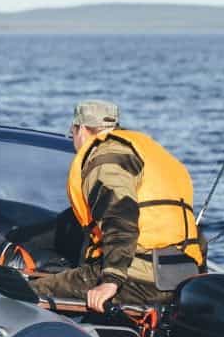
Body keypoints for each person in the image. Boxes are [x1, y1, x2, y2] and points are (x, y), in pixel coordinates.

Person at [30, 100, 205, 312]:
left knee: (27, 293)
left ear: (81, 129)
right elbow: (195, 235)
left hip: (137, 279)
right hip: (182, 280)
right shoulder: (152, 154)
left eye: (72, 132)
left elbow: (119, 219)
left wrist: (110, 281)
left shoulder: (106, 158)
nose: (73, 139)